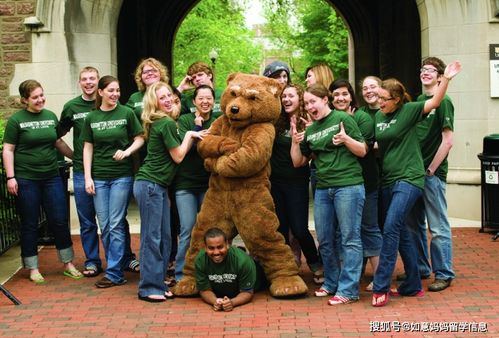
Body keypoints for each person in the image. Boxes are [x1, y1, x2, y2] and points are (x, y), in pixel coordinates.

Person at [371, 60, 461, 307]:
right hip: (388, 179)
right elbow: (380, 143)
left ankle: (381, 287)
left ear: (397, 99)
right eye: (378, 97)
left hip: (411, 177)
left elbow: (435, 103)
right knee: (403, 230)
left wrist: (447, 80)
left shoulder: (410, 110)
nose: (380, 102)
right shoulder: (379, 116)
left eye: (384, 98)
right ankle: (413, 282)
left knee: (392, 227)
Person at [290, 83, 366, 305]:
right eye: (306, 103)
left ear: (325, 100)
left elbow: (362, 150)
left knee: (350, 238)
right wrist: (295, 142)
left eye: (313, 101)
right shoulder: (312, 130)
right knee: (324, 240)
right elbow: (298, 162)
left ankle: (349, 289)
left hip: (348, 186)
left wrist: (346, 139)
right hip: (323, 188)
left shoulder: (343, 119)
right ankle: (331, 282)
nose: (310, 106)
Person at [134, 81, 207, 302]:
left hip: (159, 187)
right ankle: (148, 287)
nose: (167, 100)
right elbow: (178, 156)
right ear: (153, 101)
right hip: (150, 185)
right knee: (151, 237)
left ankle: (158, 282)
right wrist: (190, 136)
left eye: (169, 96)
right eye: (162, 97)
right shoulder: (164, 122)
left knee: (165, 237)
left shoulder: (165, 121)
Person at [2, 79, 82, 283]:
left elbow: (57, 141)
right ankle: (32, 267)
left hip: (51, 177)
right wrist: (11, 177)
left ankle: (68, 263)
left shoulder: (50, 116)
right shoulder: (16, 120)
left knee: (59, 219)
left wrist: (76, 157)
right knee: (29, 222)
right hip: (26, 178)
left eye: (41, 95)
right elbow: (8, 150)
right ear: (24, 100)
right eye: (35, 97)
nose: (40, 99)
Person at [82, 75, 144, 288]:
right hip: (99, 177)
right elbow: (87, 147)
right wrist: (88, 177)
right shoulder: (92, 118)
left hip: (121, 177)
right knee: (105, 225)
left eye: (117, 90)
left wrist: (126, 152)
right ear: (100, 92)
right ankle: (115, 266)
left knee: (116, 223)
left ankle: (115, 272)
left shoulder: (126, 113)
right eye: (111, 91)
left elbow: (140, 138)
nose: (115, 94)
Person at [405, 57, 456, 292]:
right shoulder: (418, 101)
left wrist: (431, 170)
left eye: (431, 70)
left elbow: (447, 141)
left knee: (437, 227)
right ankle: (422, 268)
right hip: (415, 174)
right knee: (414, 225)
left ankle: (444, 273)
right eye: (423, 69)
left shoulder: (443, 102)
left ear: (439, 76)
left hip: (431, 174)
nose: (425, 73)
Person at [329, 79, 382, 292]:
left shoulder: (362, 118)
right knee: (345, 231)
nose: (340, 98)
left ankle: (380, 276)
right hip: (342, 183)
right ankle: (350, 274)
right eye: (336, 95)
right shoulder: (329, 119)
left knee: (369, 228)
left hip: (366, 182)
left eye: (344, 94)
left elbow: (364, 149)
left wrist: (347, 130)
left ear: (351, 96)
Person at [270, 83, 322, 281]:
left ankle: (315, 264)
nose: (286, 100)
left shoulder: (307, 121)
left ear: (300, 98)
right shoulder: (276, 121)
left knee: (299, 229)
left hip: (297, 182)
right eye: (284, 96)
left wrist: (305, 136)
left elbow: (314, 154)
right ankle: (284, 270)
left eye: (291, 96)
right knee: (281, 229)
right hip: (275, 182)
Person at [58, 66, 103, 277]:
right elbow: (56, 136)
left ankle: (119, 259)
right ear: (80, 83)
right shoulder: (71, 107)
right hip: (80, 171)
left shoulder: (107, 102)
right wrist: (73, 155)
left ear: (98, 81)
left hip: (105, 170)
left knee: (111, 220)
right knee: (87, 221)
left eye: (92, 78)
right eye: (84, 79)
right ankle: (92, 261)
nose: (88, 82)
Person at [173, 85, 221, 283]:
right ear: (194, 101)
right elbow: (186, 150)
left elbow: (217, 148)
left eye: (208, 98)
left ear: (213, 100)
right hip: (185, 185)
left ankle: (207, 272)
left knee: (209, 229)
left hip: (209, 184)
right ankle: (180, 274)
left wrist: (202, 135)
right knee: (187, 229)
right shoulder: (185, 120)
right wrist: (197, 129)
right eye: (200, 98)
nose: (205, 101)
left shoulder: (219, 122)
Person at [195, 227, 264, 311]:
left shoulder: (243, 261)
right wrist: (215, 301)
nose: (216, 252)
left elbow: (247, 292)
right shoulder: (200, 260)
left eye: (220, 247)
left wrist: (232, 302)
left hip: (256, 282)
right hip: (224, 290)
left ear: (227, 244)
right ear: (205, 247)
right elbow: (204, 290)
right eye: (211, 248)